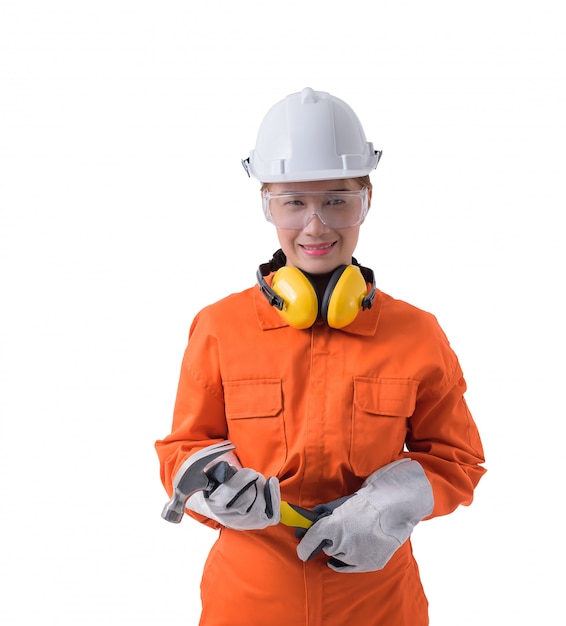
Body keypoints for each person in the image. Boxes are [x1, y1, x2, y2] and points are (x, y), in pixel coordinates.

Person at [155, 87, 486, 626]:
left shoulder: (416, 333)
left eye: (337, 200)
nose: (316, 225)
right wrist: (215, 490)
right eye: (293, 202)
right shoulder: (219, 327)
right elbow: (182, 450)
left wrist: (385, 507)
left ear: (367, 201)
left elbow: (457, 460)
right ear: (267, 205)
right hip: (248, 603)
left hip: (378, 606)